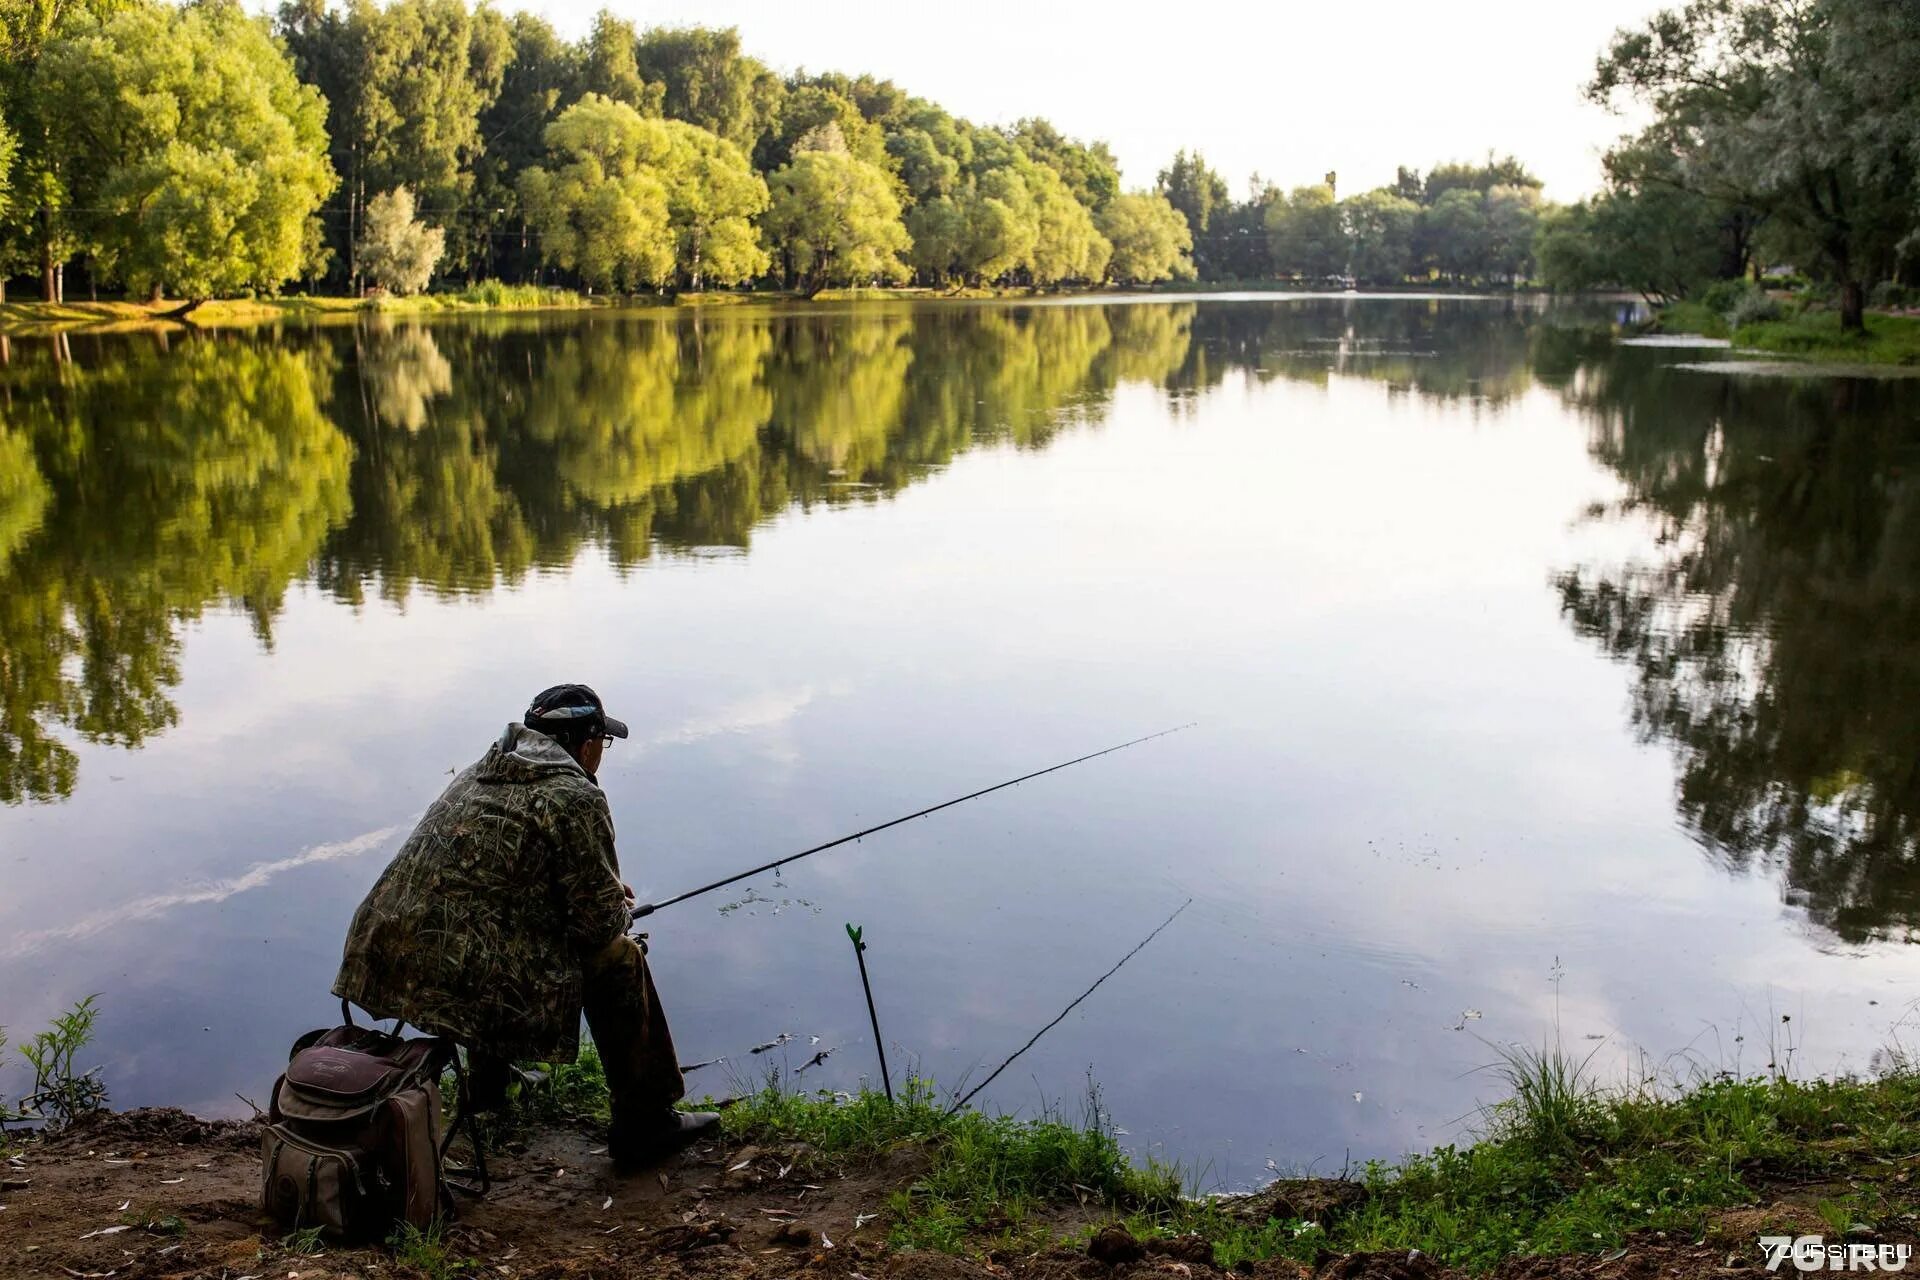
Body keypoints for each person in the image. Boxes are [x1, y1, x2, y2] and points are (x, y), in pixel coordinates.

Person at [332, 683, 717, 1165]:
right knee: (618, 957)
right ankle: (645, 1122)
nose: (602, 753)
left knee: (487, 932)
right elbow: (598, 926)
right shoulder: (574, 794)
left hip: (379, 952)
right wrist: (616, 907)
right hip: (455, 966)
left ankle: (491, 1085)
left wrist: (589, 890)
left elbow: (497, 886)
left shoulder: (482, 771)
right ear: (587, 742)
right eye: (604, 742)